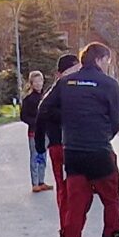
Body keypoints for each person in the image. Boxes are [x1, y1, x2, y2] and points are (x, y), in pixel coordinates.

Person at [51, 42, 119, 237]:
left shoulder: (64, 83)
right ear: (99, 59)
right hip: (100, 153)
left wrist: (68, 126)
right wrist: (103, 134)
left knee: (75, 206)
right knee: (111, 201)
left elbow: (45, 108)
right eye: (107, 61)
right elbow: (116, 119)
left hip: (73, 153)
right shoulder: (109, 84)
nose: (108, 65)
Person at [38, 52, 80, 192]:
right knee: (64, 188)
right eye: (72, 71)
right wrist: (39, 145)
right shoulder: (55, 92)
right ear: (59, 74)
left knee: (78, 190)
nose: (76, 74)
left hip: (79, 145)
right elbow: (43, 112)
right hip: (59, 145)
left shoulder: (81, 89)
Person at [18, 70, 52, 192]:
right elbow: (23, 116)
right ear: (31, 83)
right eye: (36, 82)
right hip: (34, 132)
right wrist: (35, 122)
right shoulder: (28, 99)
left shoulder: (46, 97)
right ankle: (35, 182)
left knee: (43, 156)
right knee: (35, 156)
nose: (38, 84)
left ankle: (41, 181)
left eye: (40, 81)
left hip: (46, 132)